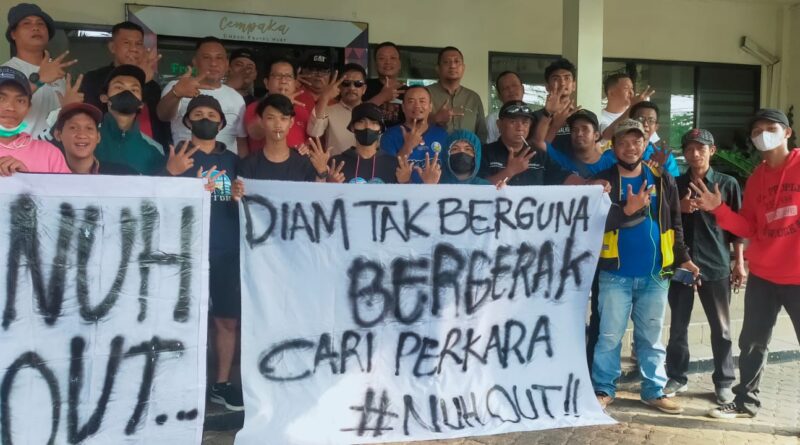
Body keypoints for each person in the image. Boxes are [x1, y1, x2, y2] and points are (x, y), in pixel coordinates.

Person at [690, 109, 800, 420]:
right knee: (752, 343)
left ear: (787, 133)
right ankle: (745, 403)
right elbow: (749, 227)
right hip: (764, 276)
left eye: (771, 128)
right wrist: (718, 209)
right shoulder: (756, 180)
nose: (763, 134)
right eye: (757, 131)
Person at [591, 118, 700, 415]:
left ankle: (653, 390)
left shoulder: (663, 178)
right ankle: (603, 389)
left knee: (651, 337)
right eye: (623, 142)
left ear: (644, 144)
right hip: (615, 274)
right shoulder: (602, 182)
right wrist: (627, 209)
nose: (631, 147)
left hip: (655, 274)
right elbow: (591, 224)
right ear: (614, 147)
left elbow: (674, 223)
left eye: (637, 141)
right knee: (609, 336)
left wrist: (684, 257)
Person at [163, 94, 242, 411]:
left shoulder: (233, 161)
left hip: (226, 251)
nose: (205, 119)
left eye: (211, 114)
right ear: (186, 121)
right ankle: (182, 384)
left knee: (226, 320)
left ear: (221, 123)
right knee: (183, 320)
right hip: (184, 253)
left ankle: (221, 384)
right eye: (198, 114)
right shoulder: (176, 154)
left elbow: (249, 206)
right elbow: (155, 203)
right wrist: (170, 175)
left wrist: (239, 198)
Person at [663, 128, 743, 405]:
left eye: (701, 148)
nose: (695, 153)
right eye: (689, 149)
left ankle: (724, 381)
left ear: (712, 150)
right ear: (684, 153)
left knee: (721, 328)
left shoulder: (727, 184)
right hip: (682, 264)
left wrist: (739, 263)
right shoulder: (674, 184)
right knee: (678, 325)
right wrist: (679, 208)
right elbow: (663, 223)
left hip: (716, 263)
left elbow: (737, 227)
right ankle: (677, 376)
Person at [79, 21, 170, 148]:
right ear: (112, 47)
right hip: (104, 147)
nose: (134, 49)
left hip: (148, 151)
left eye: (138, 44)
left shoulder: (153, 86)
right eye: (127, 43)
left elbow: (161, 124)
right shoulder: (93, 79)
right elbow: (90, 116)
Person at [157, 36, 247, 156]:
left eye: (219, 58)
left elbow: (241, 141)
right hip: (186, 162)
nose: (213, 63)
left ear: (227, 64)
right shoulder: (177, 86)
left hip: (226, 165)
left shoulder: (236, 98)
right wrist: (176, 93)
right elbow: (163, 116)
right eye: (206, 57)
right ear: (195, 62)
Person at [3, 3, 75, 139]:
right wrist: (38, 80)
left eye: (40, 24)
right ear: (13, 34)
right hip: (19, 150)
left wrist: (70, 108)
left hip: (55, 149)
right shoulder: (6, 71)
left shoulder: (58, 72)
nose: (35, 27)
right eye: (26, 23)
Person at [479, 100, 583, 186]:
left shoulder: (539, 155)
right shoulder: (484, 153)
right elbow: (476, 188)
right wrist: (510, 171)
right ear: (499, 125)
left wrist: (587, 183)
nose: (520, 128)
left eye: (525, 123)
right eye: (513, 122)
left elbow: (563, 177)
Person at [238, 94, 328, 182]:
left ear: (291, 122)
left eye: (283, 118)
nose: (278, 124)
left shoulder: (304, 162)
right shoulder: (249, 164)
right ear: (261, 122)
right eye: (270, 118)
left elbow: (315, 191)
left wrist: (322, 172)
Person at [94, 65, 165, 175]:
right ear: (104, 98)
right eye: (119, 87)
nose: (127, 92)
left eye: (134, 89)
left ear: (141, 104)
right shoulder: (86, 138)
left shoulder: (154, 149)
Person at [0, 65, 70, 176]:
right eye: (1, 98)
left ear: (28, 107)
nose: (11, 108)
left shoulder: (49, 153)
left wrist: (27, 178)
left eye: (20, 101)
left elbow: (66, 187)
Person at [380, 85, 447, 184]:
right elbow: (386, 172)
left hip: (435, 193)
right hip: (400, 192)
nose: (417, 106)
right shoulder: (389, 135)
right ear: (403, 107)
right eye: (411, 101)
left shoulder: (442, 134)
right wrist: (407, 146)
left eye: (422, 101)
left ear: (430, 107)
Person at [244, 58, 309, 153]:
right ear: (266, 83)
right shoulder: (254, 107)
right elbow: (255, 134)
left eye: (288, 76)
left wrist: (305, 148)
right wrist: (280, 103)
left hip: (295, 161)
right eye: (277, 76)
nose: (283, 81)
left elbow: (308, 141)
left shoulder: (302, 110)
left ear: (295, 83)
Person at [599, 101, 679, 178]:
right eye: (640, 119)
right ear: (630, 120)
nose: (645, 124)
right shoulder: (609, 155)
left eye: (651, 120)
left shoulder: (664, 156)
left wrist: (660, 167)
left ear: (656, 127)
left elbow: (674, 184)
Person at [330, 102, 403, 184]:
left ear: (380, 129)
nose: (367, 126)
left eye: (374, 123)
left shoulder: (394, 164)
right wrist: (329, 184)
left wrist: (405, 181)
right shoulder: (335, 163)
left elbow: (403, 191)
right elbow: (323, 190)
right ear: (352, 127)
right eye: (361, 122)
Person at [53, 102, 135, 174]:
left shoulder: (123, 174)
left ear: (98, 137)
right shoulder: (49, 175)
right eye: (73, 128)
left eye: (89, 128)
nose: (82, 135)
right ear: (58, 135)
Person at [428, 46, 487, 142]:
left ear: (463, 68)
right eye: (446, 62)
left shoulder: (473, 97)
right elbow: (410, 125)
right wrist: (434, 119)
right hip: (432, 150)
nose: (452, 66)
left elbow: (482, 133)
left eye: (457, 61)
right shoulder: (425, 94)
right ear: (438, 68)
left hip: (467, 151)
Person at [307, 63, 367, 156]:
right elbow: (314, 132)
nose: (352, 88)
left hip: (366, 165)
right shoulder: (328, 110)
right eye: (346, 83)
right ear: (339, 87)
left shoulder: (372, 112)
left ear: (364, 89)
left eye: (357, 84)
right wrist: (325, 97)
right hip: (336, 165)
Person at [533, 58, 577, 153]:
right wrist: (552, 121)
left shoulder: (583, 116)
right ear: (547, 87)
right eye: (556, 79)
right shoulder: (535, 117)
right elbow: (537, 151)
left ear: (574, 85)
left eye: (567, 78)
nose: (562, 83)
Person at [364, 41, 407, 128]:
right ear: (375, 64)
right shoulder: (363, 86)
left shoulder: (408, 92)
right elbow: (355, 113)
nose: (388, 62)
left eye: (393, 58)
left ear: (399, 64)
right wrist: (382, 96)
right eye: (382, 58)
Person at [486, 71, 525, 144]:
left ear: (523, 89)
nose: (511, 90)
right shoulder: (491, 120)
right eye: (505, 88)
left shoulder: (533, 117)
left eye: (514, 85)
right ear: (499, 96)